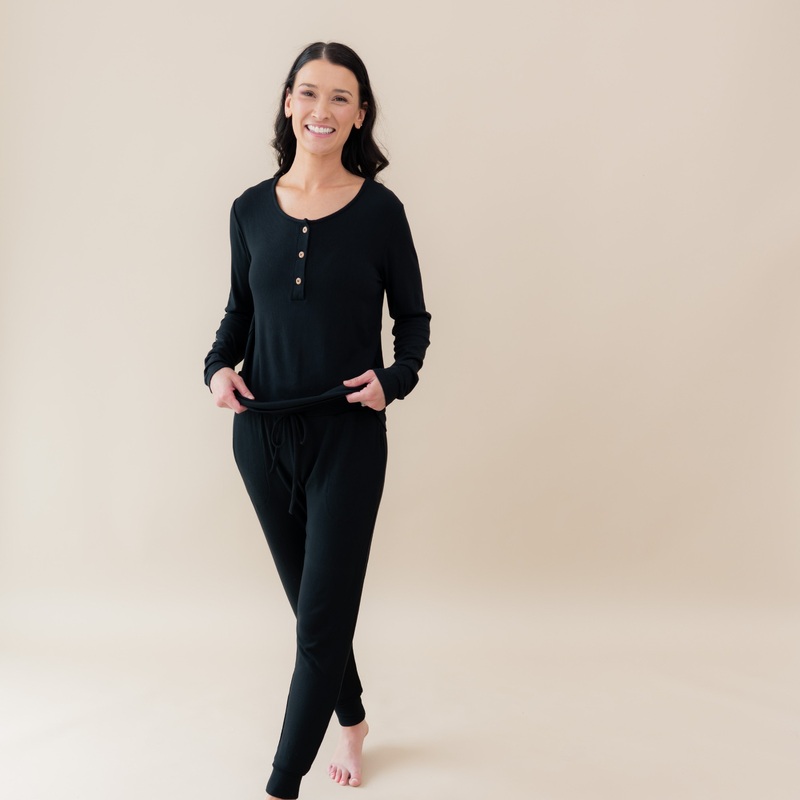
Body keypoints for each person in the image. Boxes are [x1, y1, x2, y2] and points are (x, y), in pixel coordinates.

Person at [203, 42, 430, 800]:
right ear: (288, 103)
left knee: (321, 622)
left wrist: (393, 381)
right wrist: (217, 368)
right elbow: (239, 314)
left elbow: (415, 322)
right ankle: (352, 719)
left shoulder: (382, 213)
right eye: (308, 92)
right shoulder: (248, 210)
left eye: (340, 97)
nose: (321, 110)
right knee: (313, 611)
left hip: (347, 438)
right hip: (259, 436)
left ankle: (281, 785)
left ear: (360, 114)